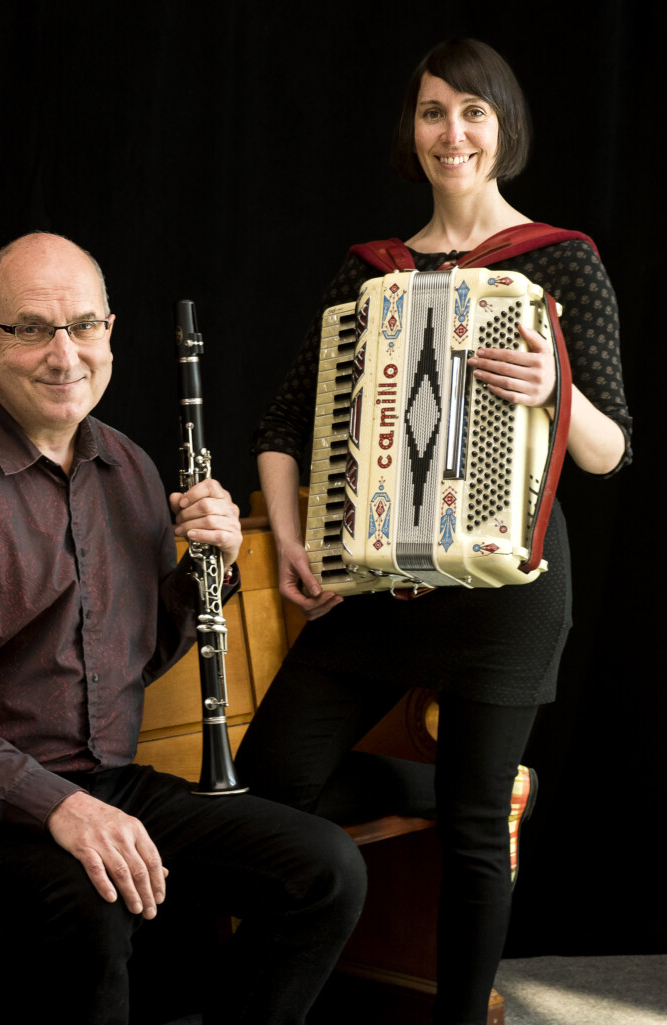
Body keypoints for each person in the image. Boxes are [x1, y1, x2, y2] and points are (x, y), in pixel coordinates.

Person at [0, 231, 367, 1025]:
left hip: (106, 782)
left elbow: (142, 655)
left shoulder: (129, 469)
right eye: (30, 327)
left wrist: (211, 565)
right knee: (94, 904)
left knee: (326, 868)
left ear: (110, 332)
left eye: (84, 326)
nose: (62, 353)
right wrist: (58, 807)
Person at [237, 39, 632, 1025]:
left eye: (470, 112)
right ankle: (449, 783)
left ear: (504, 130)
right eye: (429, 112)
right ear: (407, 131)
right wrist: (294, 541)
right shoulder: (369, 270)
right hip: (376, 589)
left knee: (468, 830)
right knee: (274, 778)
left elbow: (610, 450)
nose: (448, 132)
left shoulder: (559, 261)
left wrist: (557, 387)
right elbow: (282, 427)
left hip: (507, 592)